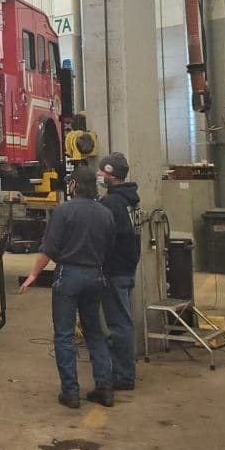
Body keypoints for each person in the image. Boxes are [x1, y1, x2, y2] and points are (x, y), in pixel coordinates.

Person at [19, 165, 115, 409]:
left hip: (69, 276)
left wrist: (33, 274)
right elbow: (109, 247)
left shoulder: (64, 212)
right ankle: (105, 389)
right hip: (95, 275)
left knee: (64, 334)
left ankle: (71, 393)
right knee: (95, 332)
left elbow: (48, 249)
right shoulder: (105, 214)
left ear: (74, 185)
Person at [97, 152, 141, 391]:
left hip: (115, 270)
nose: (99, 176)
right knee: (123, 320)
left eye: (102, 172)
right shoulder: (130, 199)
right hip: (128, 267)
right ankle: (123, 369)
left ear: (111, 174)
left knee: (119, 324)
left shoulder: (112, 203)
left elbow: (106, 238)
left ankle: (123, 376)